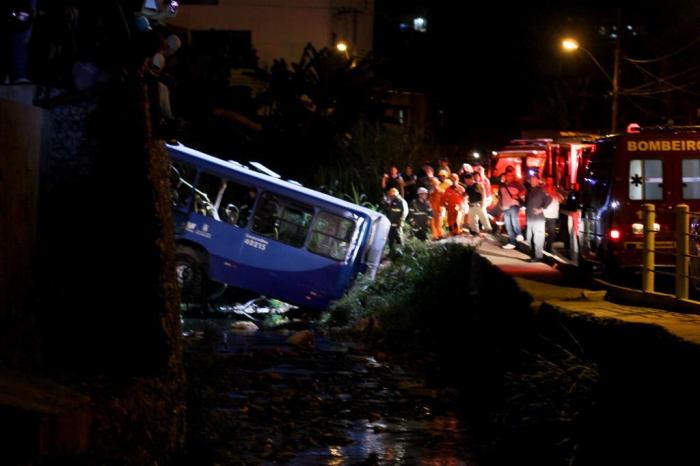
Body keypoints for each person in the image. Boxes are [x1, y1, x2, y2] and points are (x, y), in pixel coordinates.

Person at [524, 173, 552, 262]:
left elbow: (549, 199)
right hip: (530, 218)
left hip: (538, 219)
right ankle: (534, 255)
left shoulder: (541, 190)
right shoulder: (529, 191)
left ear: (537, 180)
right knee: (529, 238)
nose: (532, 180)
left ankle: (538, 256)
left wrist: (541, 209)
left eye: (533, 179)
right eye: (531, 179)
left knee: (538, 238)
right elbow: (526, 203)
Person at [499, 166, 526, 249]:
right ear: (506, 176)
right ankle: (512, 242)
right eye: (508, 175)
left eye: (511, 175)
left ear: (513, 176)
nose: (509, 177)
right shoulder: (502, 185)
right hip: (505, 207)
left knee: (514, 219)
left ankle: (519, 234)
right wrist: (500, 205)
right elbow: (500, 196)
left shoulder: (517, 183)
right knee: (508, 224)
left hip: (514, 205)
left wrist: (517, 195)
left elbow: (525, 190)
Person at [382, 187, 408, 255]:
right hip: (390, 222)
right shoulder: (390, 201)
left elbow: (404, 213)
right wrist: (385, 203)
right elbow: (387, 210)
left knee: (398, 236)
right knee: (390, 237)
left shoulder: (401, 201)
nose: (392, 196)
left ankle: (400, 251)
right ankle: (391, 252)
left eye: (393, 195)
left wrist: (400, 222)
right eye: (391, 195)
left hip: (397, 223)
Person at [543, 176, 565, 253]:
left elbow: (562, 200)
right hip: (543, 214)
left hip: (553, 215)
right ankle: (540, 247)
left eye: (551, 180)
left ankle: (548, 248)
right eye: (548, 180)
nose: (549, 182)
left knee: (552, 233)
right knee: (541, 232)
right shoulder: (542, 189)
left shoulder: (556, 190)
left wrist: (555, 193)